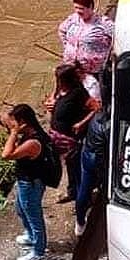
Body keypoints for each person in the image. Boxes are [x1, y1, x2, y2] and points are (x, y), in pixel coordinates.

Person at [0, 104, 51, 260]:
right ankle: (31, 236)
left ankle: (39, 252)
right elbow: (3, 117)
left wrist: (14, 132)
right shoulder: (30, 133)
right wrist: (12, 127)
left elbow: (6, 155)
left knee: (33, 216)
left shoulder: (33, 142)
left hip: (31, 184)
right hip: (26, 182)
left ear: (23, 122)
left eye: (15, 122)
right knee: (21, 209)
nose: (12, 125)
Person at [45, 62, 97, 203]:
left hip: (71, 139)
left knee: (76, 168)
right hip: (57, 137)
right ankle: (73, 192)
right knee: (68, 167)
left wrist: (81, 123)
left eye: (59, 79)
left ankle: (82, 197)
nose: (58, 82)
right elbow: (52, 100)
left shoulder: (78, 93)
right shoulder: (60, 91)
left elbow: (96, 108)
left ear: (66, 80)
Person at [57, 0, 114, 99]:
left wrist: (110, 54)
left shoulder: (103, 23)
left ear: (90, 7)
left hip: (94, 70)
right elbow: (61, 30)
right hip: (72, 67)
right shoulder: (72, 19)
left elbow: (117, 38)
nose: (78, 11)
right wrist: (68, 47)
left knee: (94, 96)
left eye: (81, 8)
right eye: (76, 7)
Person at [74, 72, 111, 237]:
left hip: (87, 153)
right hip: (99, 158)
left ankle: (80, 222)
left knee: (84, 189)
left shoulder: (96, 117)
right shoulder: (110, 124)